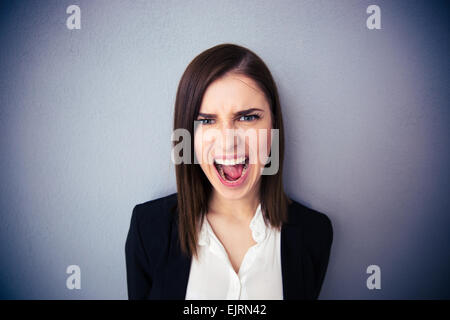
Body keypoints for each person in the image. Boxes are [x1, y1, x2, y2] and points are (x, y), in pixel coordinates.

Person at [125, 43, 333, 300]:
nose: (228, 142)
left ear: (274, 127)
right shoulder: (148, 229)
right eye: (207, 121)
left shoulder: (315, 234)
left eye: (247, 117)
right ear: (188, 135)